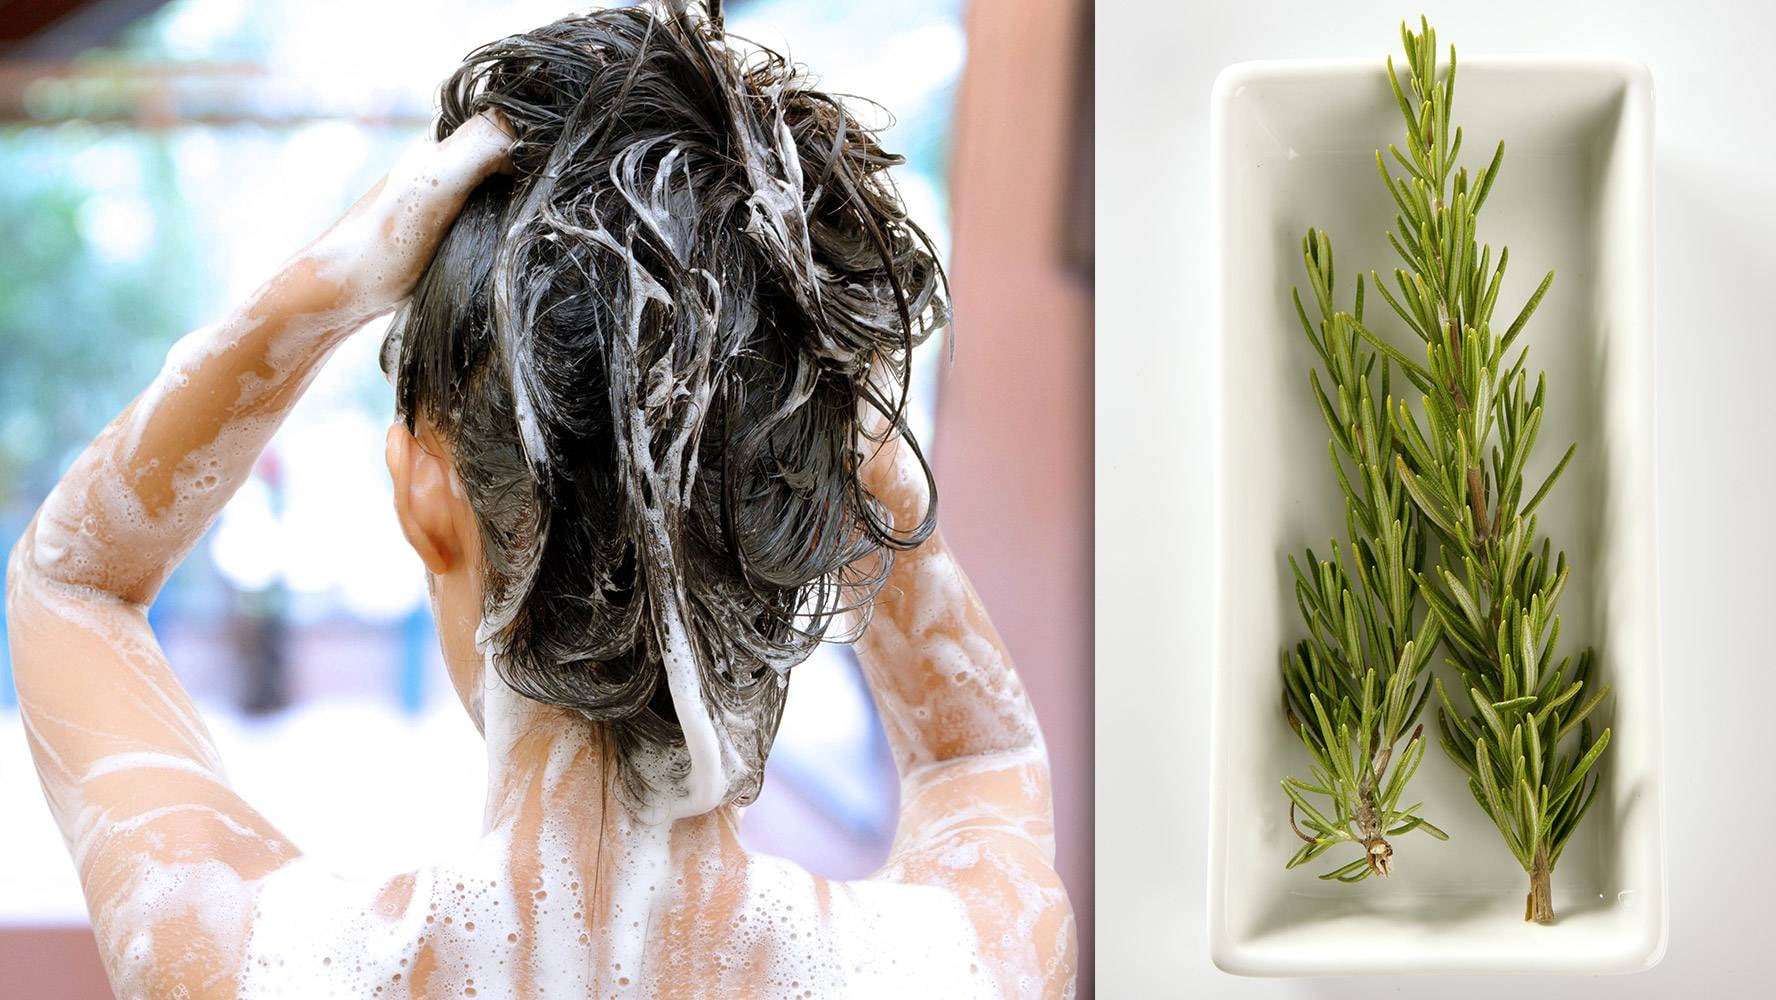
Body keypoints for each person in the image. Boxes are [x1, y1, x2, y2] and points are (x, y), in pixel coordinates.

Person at [4, 3, 1075, 996]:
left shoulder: (256, 961)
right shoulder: (958, 963)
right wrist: (837, 410)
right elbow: (977, 760)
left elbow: (71, 587)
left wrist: (317, 293)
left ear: (424, 492)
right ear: (794, 518)